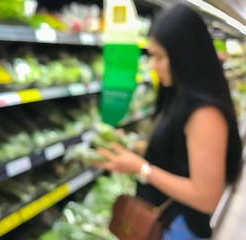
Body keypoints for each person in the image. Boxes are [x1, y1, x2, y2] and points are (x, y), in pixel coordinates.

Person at [92, 4, 242, 240]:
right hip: (164, 221)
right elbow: (178, 154)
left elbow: (207, 197)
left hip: (180, 229)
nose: (154, 65)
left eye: (159, 57)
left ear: (185, 54)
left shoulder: (205, 114)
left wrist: (140, 168)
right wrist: (131, 146)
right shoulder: (179, 94)